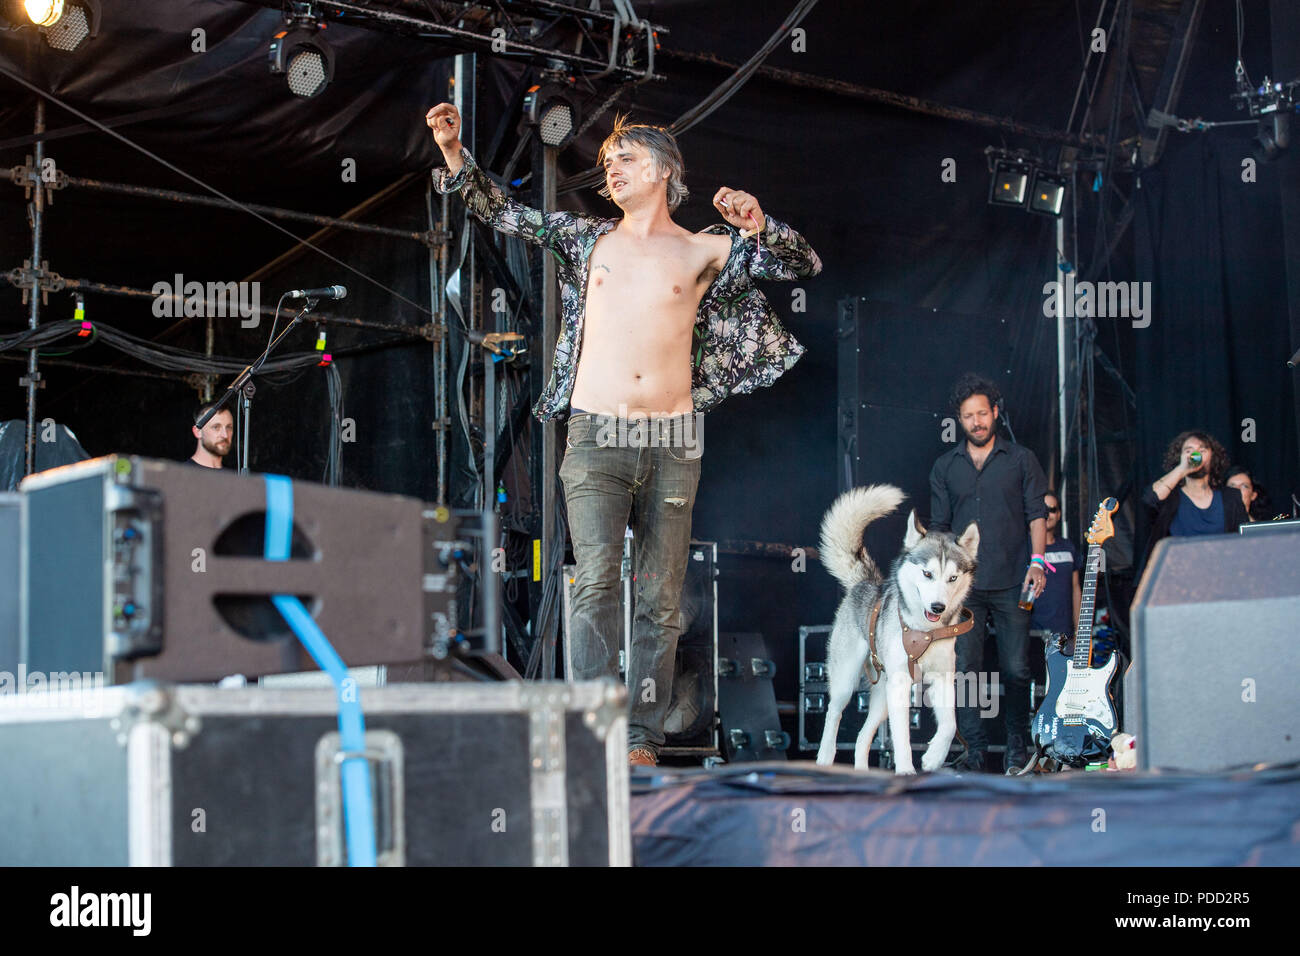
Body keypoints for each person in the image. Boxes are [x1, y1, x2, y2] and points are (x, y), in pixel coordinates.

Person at [427, 103, 822, 767]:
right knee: (596, 585)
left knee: (662, 600)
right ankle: (590, 727)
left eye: (626, 159)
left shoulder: (704, 249)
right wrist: (452, 151)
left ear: (665, 170)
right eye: (607, 163)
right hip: (596, 435)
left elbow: (802, 265)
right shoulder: (589, 240)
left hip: (672, 441)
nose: (611, 169)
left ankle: (640, 737)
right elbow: (504, 213)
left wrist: (758, 225)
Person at [929, 373, 1048, 773]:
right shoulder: (945, 466)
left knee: (1016, 668)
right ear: (959, 420)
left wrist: (1038, 562)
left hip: (1015, 576)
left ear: (996, 413)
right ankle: (974, 750)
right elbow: (940, 528)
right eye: (968, 416)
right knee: (965, 669)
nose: (977, 422)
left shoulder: (1021, 459)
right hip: (964, 589)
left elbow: (1037, 515)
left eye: (983, 413)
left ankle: (1018, 748)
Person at [1140, 431, 1245, 568]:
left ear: (1213, 457)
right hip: (1179, 575)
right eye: (1189, 450)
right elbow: (1149, 500)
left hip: (1221, 574)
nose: (1196, 455)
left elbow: (1243, 542)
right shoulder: (1170, 497)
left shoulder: (1231, 497)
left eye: (1202, 450)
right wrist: (1182, 469)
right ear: (1180, 457)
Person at [1029, 490, 1081, 644]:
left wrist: (1079, 629)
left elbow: (1075, 588)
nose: (1048, 514)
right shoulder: (1025, 547)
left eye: (1052, 510)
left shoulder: (1068, 546)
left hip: (1065, 634)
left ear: (1059, 514)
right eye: (1043, 510)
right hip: (1033, 634)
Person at [188, 403, 232, 469]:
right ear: (198, 432)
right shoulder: (181, 474)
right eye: (216, 427)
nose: (225, 435)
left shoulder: (233, 476)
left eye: (228, 427)